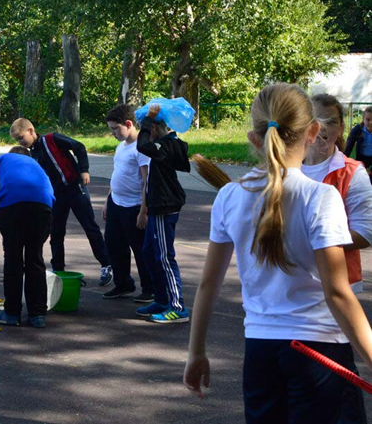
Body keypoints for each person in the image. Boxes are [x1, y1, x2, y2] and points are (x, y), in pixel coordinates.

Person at [183, 84, 372, 424]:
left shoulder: (229, 196)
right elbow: (338, 293)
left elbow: (207, 285)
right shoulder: (320, 198)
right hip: (318, 350)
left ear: (253, 138)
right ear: (312, 132)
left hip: (260, 349)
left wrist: (195, 352)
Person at [301, 93, 372, 424]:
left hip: (339, 292)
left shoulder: (352, 173)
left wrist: (314, 241)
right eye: (318, 120)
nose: (324, 128)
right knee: (299, 385)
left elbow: (365, 234)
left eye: (332, 121)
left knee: (339, 383)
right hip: (291, 293)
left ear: (342, 128)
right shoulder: (284, 168)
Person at [10, 118, 112, 286]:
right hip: (56, 195)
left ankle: (106, 264)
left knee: (89, 226)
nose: (21, 142)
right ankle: (59, 270)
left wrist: (84, 170)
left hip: (74, 187)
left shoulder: (52, 139)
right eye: (17, 140)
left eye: (21, 138)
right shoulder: (31, 154)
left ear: (31, 130)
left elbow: (78, 147)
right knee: (56, 232)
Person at [133, 104, 191, 323]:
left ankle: (177, 307)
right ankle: (162, 298)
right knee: (149, 251)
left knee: (165, 257)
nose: (146, 133)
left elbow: (143, 146)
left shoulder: (167, 145)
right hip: (160, 205)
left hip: (165, 207)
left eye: (148, 129)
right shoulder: (167, 144)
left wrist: (147, 120)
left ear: (155, 128)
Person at [0, 146, 55, 328]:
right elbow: (50, 193)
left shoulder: (0, 161)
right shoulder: (36, 164)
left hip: (13, 205)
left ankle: (11, 312)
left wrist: (1, 220)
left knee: (13, 259)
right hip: (43, 206)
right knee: (35, 258)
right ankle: (38, 314)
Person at [101, 104, 154, 303]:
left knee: (140, 249)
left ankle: (149, 288)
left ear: (129, 124)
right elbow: (117, 175)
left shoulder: (141, 147)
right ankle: (123, 283)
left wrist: (143, 210)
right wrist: (108, 200)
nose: (113, 133)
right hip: (116, 203)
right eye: (111, 129)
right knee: (114, 245)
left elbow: (146, 180)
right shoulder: (120, 147)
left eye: (115, 128)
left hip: (133, 206)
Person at [343, 105, 372, 171]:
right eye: (368, 119)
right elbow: (348, 147)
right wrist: (343, 162)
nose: (371, 122)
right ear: (363, 119)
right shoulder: (357, 130)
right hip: (361, 157)